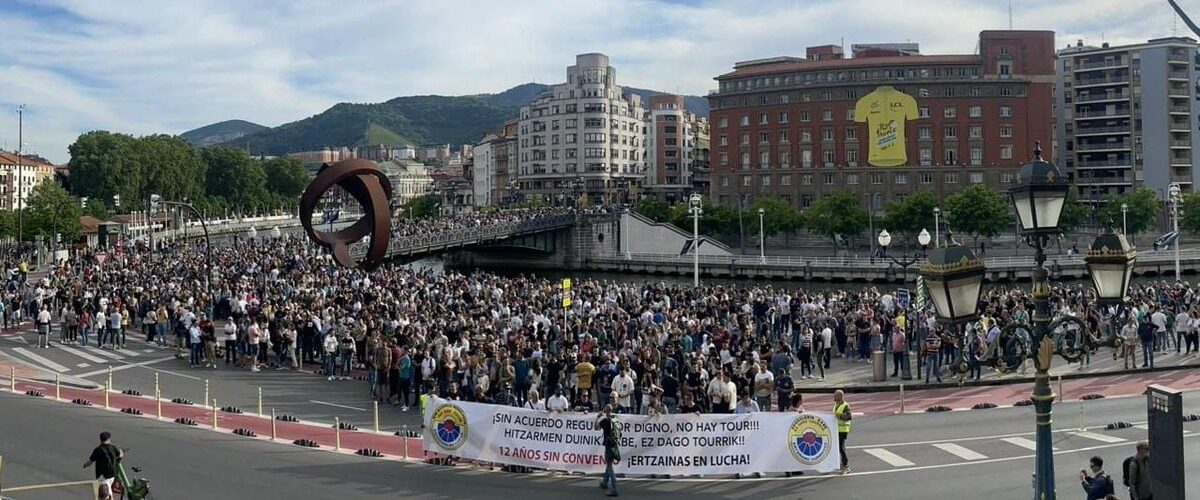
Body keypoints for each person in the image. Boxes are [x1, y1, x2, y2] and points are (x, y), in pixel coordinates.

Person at [83, 431, 123, 500]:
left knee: (106, 495)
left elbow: (90, 462)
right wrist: (121, 452)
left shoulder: (98, 450)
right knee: (106, 493)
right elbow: (120, 455)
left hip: (103, 477)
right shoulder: (113, 447)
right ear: (108, 439)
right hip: (112, 475)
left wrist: (85, 464)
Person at [596, 404, 621, 497]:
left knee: (610, 466)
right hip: (615, 444)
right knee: (609, 463)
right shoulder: (615, 419)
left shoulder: (606, 421)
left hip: (609, 445)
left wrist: (598, 417)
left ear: (605, 411)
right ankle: (604, 482)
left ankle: (614, 488)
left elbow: (596, 427)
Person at [833, 389, 852, 474]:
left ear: (840, 396)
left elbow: (849, 416)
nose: (834, 397)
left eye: (835, 396)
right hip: (837, 429)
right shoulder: (836, 404)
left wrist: (839, 416)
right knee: (838, 448)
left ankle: (846, 466)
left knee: (841, 448)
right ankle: (841, 464)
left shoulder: (845, 405)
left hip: (843, 429)